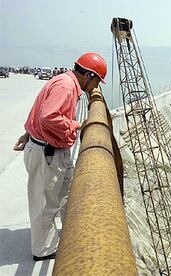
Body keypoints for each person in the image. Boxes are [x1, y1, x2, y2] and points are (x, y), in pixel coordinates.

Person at [13, 52, 107, 261]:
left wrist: (28, 132)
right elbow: (48, 116)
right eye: (97, 82)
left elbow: (39, 110)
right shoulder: (66, 87)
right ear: (88, 76)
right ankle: (43, 250)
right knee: (44, 205)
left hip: (52, 151)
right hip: (47, 154)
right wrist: (76, 124)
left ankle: (67, 235)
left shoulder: (63, 82)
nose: (95, 88)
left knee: (65, 196)